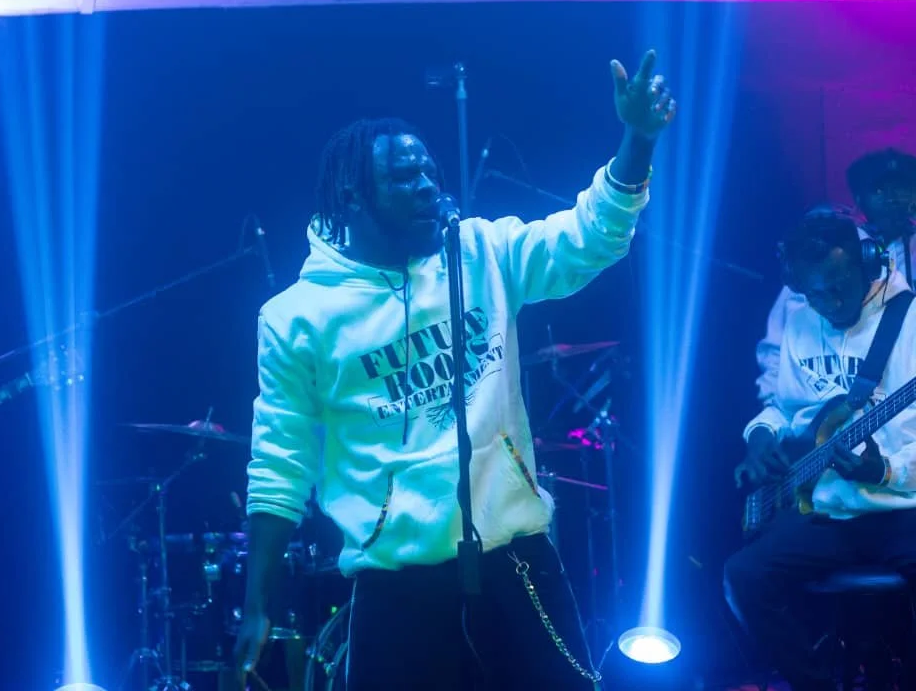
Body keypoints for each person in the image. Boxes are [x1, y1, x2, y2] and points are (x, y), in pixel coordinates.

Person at [234, 50, 676, 691]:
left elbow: (590, 237)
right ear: (354, 196)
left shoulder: (481, 252)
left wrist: (637, 140)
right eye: (404, 178)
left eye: (429, 172)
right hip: (397, 586)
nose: (426, 187)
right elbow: (279, 465)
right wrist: (257, 603)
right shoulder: (298, 318)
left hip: (517, 563)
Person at [725, 209, 916, 691]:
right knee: (743, 577)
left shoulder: (909, 322)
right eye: (815, 294)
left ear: (870, 263)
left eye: (840, 285)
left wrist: (886, 470)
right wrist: (761, 436)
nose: (831, 302)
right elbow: (790, 412)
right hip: (830, 511)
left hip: (902, 508)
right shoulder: (801, 322)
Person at [754, 148, 916, 406]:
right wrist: (776, 413)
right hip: (839, 416)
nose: (892, 198)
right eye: (879, 190)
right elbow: (779, 342)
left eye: (902, 188)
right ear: (859, 199)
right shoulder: (827, 253)